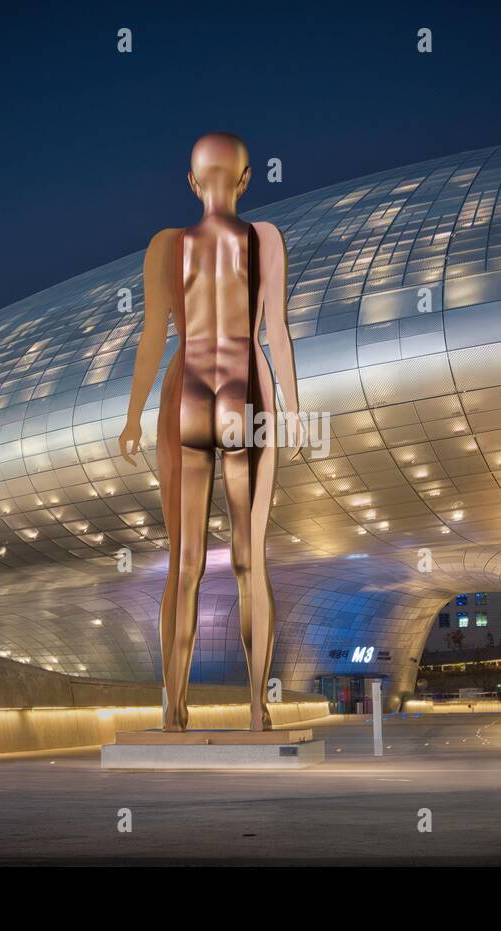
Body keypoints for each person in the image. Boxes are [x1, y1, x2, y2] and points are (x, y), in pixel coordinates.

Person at [119, 133, 301, 732]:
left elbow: (152, 337)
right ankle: (256, 706)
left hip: (186, 388)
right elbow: (275, 330)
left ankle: (173, 711)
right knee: (251, 558)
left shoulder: (166, 246)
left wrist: (133, 413)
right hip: (245, 384)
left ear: (192, 183)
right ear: (247, 179)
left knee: (184, 563)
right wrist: (294, 410)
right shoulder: (265, 238)